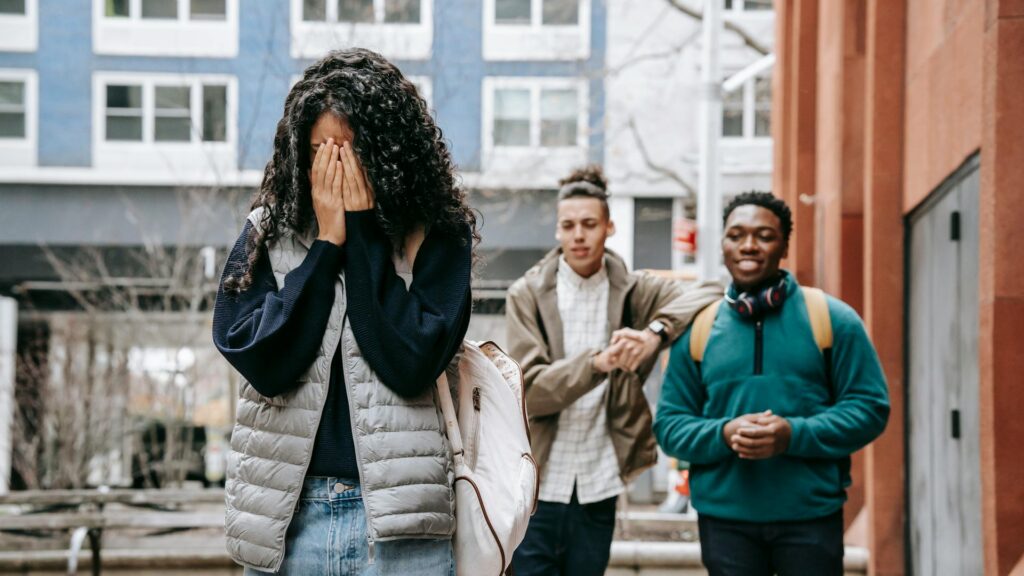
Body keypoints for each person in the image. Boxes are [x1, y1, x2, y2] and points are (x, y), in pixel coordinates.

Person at [212, 48, 475, 575]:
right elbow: (263, 361)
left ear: (388, 152)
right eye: (318, 151)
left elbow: (408, 363)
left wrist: (361, 237)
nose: (333, 168)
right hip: (288, 519)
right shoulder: (269, 228)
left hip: (402, 529)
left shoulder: (437, 232)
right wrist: (325, 246)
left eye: (350, 152)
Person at [654, 192, 891, 576]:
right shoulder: (698, 328)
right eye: (737, 235)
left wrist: (792, 434)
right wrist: (725, 433)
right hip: (724, 521)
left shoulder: (833, 318)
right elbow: (669, 426)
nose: (748, 245)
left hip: (811, 518)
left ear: (784, 246)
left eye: (764, 235)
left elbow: (869, 408)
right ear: (723, 244)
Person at [506, 166, 722, 576]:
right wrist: (597, 363)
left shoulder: (635, 288)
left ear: (610, 226)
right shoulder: (528, 293)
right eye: (568, 225)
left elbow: (710, 291)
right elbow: (529, 390)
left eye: (589, 224)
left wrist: (656, 334)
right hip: (537, 481)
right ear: (557, 231)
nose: (579, 235)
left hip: (599, 479)